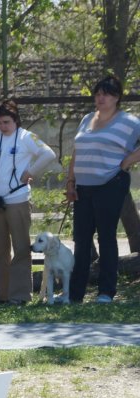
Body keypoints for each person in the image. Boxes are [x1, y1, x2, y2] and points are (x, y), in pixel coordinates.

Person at [0, 99, 56, 305]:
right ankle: (2, 295)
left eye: (6, 121)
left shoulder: (26, 137)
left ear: (16, 120)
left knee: (21, 248)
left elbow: (48, 154)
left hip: (17, 200)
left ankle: (20, 296)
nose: (2, 126)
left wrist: (31, 171)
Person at [66, 75, 140, 303]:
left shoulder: (130, 122)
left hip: (111, 184)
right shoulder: (87, 118)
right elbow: (77, 151)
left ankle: (106, 292)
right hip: (83, 187)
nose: (100, 98)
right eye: (98, 94)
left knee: (106, 236)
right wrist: (70, 181)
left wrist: (127, 162)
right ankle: (75, 293)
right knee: (81, 239)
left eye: (106, 94)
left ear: (117, 98)